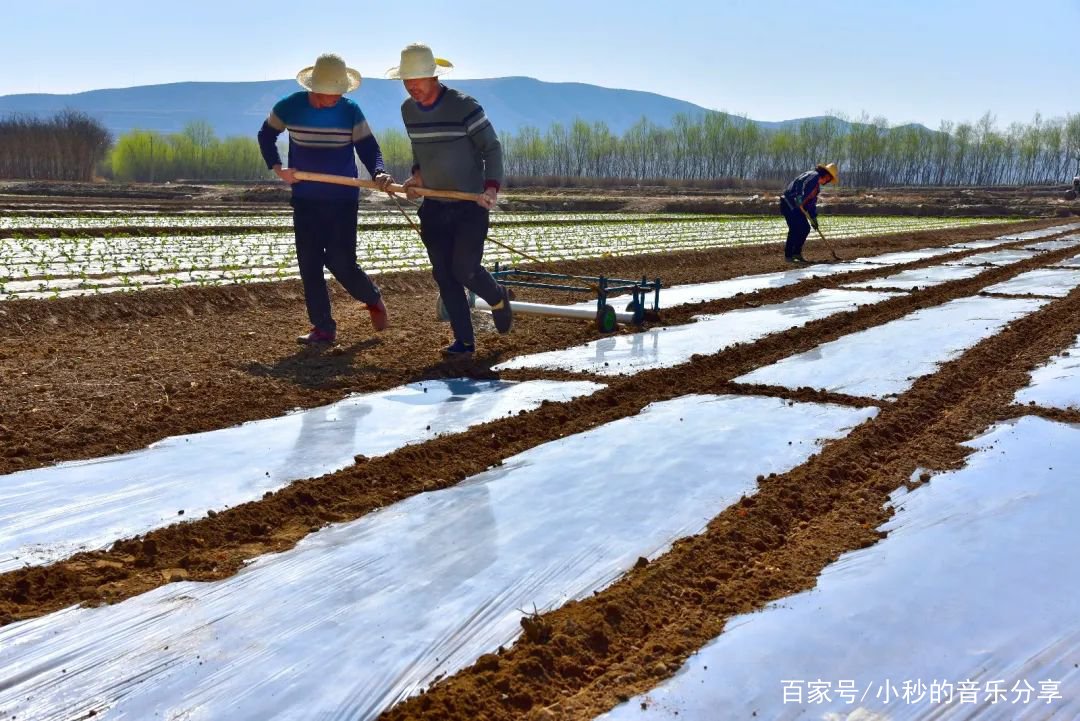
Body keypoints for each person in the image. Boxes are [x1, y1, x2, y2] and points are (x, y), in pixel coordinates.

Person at [257, 53, 393, 345]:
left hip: (342, 199)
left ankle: (372, 298)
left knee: (341, 262)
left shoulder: (350, 110)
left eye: (337, 94)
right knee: (309, 264)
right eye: (327, 94)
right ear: (313, 88)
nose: (333, 99)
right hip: (305, 198)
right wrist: (278, 168)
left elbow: (369, 148)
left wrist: (379, 172)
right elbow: (265, 135)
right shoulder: (289, 106)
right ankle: (323, 328)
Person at [387, 42, 512, 357]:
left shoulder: (464, 106)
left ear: (433, 76)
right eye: (406, 81)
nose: (411, 87)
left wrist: (491, 188)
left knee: (464, 269)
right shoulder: (408, 111)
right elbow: (420, 150)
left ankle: (497, 297)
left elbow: (491, 148)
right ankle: (464, 342)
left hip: (469, 204)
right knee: (444, 274)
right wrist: (417, 177)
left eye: (417, 80)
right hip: (434, 206)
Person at [779, 162, 838, 263]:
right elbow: (800, 182)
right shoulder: (813, 175)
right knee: (795, 229)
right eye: (828, 179)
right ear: (826, 175)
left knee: (805, 228)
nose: (827, 181)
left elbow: (811, 204)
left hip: (798, 208)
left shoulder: (816, 188)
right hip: (789, 204)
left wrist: (813, 218)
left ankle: (796, 253)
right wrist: (799, 196)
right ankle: (789, 256)